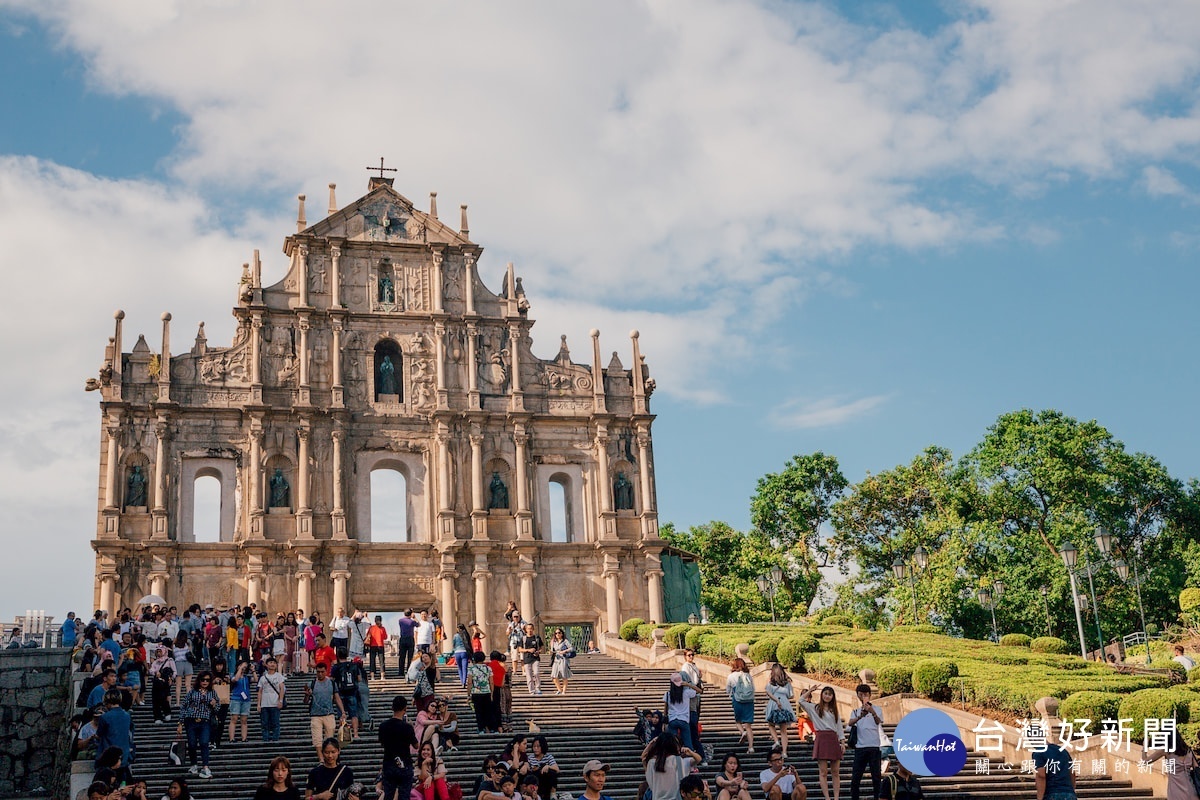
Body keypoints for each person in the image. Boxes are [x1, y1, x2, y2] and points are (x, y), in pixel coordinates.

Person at [798, 685, 842, 800]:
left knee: (835, 771)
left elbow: (839, 726)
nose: (827, 696)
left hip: (833, 738)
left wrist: (842, 741)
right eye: (825, 693)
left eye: (830, 694)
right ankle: (827, 797)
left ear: (833, 696)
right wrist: (810, 691)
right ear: (822, 694)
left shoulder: (834, 710)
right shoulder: (815, 708)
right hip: (821, 737)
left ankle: (836, 797)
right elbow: (800, 701)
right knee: (823, 772)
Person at [178, 671, 217, 780]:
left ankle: (205, 766)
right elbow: (184, 706)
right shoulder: (192, 692)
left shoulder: (212, 693)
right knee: (192, 743)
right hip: (191, 720)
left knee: (204, 742)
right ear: (199, 680)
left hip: (205, 721)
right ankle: (194, 764)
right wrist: (180, 723)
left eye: (207, 680)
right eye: (203, 680)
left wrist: (213, 704)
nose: (205, 682)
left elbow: (217, 708)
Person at [378, 695, 419, 800]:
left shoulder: (383, 726)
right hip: (405, 764)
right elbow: (416, 745)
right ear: (405, 709)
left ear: (392, 708)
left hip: (389, 763)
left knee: (389, 794)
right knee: (404, 794)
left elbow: (382, 743)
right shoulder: (407, 727)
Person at [847, 684, 883, 800]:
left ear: (870, 695)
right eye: (861, 694)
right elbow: (850, 724)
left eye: (866, 694)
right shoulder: (856, 711)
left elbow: (879, 722)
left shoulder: (877, 709)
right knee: (855, 778)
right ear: (858, 695)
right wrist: (860, 716)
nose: (863, 696)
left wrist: (872, 711)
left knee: (876, 777)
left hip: (874, 747)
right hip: (860, 748)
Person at [642, 732, 702, 800]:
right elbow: (698, 760)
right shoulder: (678, 760)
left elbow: (651, 785)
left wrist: (651, 743)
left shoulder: (652, 763)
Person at [306, 662, 346, 759]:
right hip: (315, 715)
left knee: (329, 738)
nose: (320, 674)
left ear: (326, 671)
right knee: (317, 739)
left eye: (322, 672)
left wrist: (343, 712)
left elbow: (337, 697)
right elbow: (306, 701)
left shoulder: (331, 683)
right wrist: (307, 694)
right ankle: (321, 760)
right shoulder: (311, 683)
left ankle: (329, 757)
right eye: (318, 672)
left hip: (329, 714)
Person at [94, 690, 134, 771]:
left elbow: (99, 734)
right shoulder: (127, 716)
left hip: (109, 755)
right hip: (124, 755)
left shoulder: (104, 717)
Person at [332, 647, 366, 738]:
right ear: (347, 654)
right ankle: (355, 734)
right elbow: (359, 679)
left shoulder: (336, 667)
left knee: (342, 714)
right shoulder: (354, 665)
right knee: (354, 714)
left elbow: (332, 680)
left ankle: (344, 735)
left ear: (338, 655)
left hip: (340, 693)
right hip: (352, 692)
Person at [679, 649, 706, 763]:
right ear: (685, 656)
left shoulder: (693, 666)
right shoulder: (685, 667)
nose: (691, 657)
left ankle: (695, 756)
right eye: (689, 655)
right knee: (691, 733)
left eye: (692, 655)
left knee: (691, 733)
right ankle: (696, 756)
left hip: (691, 705)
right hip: (689, 707)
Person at [1033, 729, 1076, 800]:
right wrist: (1071, 791)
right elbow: (1072, 772)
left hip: (1052, 793)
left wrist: (1040, 797)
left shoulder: (1039, 752)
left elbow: (1041, 775)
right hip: (1069, 793)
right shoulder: (1063, 750)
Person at [766, 664, 798, 758]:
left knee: (771, 724)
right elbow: (791, 695)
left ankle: (776, 741)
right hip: (784, 703)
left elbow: (768, 693)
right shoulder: (787, 683)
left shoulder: (771, 683)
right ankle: (784, 752)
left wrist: (776, 700)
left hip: (774, 703)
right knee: (783, 730)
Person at [725, 659, 755, 753]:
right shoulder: (748, 676)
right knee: (748, 725)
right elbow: (753, 688)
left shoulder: (731, 676)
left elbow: (727, 690)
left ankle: (743, 732)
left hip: (737, 700)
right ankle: (751, 747)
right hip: (749, 701)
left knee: (738, 721)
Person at [258, 656, 286, 742]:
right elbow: (259, 691)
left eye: (274, 663)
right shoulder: (263, 678)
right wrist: (258, 704)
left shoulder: (279, 676)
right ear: (266, 665)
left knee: (275, 723)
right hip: (264, 704)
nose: (272, 664)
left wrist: (280, 700)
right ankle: (265, 739)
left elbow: (282, 689)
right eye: (270, 663)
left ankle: (275, 739)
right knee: (265, 723)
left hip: (275, 703)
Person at [469, 651, 496, 734]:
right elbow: (491, 682)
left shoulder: (472, 669)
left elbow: (469, 682)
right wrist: (492, 693)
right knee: (488, 711)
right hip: (486, 692)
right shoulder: (488, 668)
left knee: (479, 712)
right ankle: (491, 728)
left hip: (476, 693)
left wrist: (468, 694)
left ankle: (481, 729)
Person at [228, 658, 254, 744]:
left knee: (244, 720)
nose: (243, 668)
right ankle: (232, 738)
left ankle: (244, 738)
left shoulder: (247, 677)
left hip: (246, 699)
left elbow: (256, 680)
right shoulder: (233, 675)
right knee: (234, 719)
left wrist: (253, 671)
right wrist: (240, 668)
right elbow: (236, 679)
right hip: (236, 699)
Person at [528, 735, 560, 800]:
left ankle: (553, 793)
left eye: (538, 746)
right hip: (537, 782)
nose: (536, 748)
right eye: (534, 746)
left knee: (552, 771)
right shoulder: (530, 758)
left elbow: (557, 769)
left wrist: (548, 766)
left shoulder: (548, 757)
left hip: (547, 781)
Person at [548, 628, 574, 695]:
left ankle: (564, 691)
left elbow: (571, 648)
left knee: (564, 675)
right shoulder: (553, 641)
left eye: (559, 633)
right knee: (554, 676)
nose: (557, 634)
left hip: (563, 659)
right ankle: (559, 689)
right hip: (556, 660)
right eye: (556, 633)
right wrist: (551, 652)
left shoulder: (565, 641)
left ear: (562, 634)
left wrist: (564, 651)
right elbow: (552, 651)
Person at [368, 615, 390, 680]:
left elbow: (368, 636)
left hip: (372, 646)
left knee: (372, 661)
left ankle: (372, 676)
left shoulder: (371, 628)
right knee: (381, 661)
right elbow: (385, 637)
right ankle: (382, 676)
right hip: (380, 646)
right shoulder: (383, 628)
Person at [398, 610, 419, 678]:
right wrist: (414, 617)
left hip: (403, 638)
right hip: (410, 639)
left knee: (402, 656)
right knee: (410, 657)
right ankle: (409, 670)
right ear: (411, 614)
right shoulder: (412, 621)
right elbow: (418, 624)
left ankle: (401, 672)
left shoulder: (400, 620)